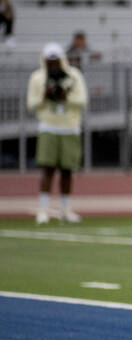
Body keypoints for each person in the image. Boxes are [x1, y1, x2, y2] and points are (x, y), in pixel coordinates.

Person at [27, 43, 88, 224]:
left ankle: (65, 210)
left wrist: (65, 97)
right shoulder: (38, 77)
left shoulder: (74, 76)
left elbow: (82, 99)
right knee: (47, 169)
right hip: (48, 126)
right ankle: (43, 210)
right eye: (50, 60)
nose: (53, 64)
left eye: (56, 60)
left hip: (70, 127)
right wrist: (44, 96)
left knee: (67, 170)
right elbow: (31, 104)